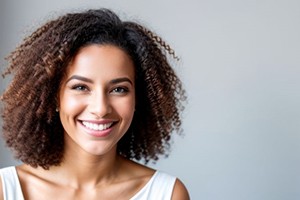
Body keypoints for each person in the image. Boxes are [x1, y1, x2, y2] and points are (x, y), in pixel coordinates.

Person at [0, 8, 189, 200]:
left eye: (119, 89)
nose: (100, 109)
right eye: (81, 87)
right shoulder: (6, 189)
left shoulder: (167, 194)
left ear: (138, 98)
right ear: (54, 96)